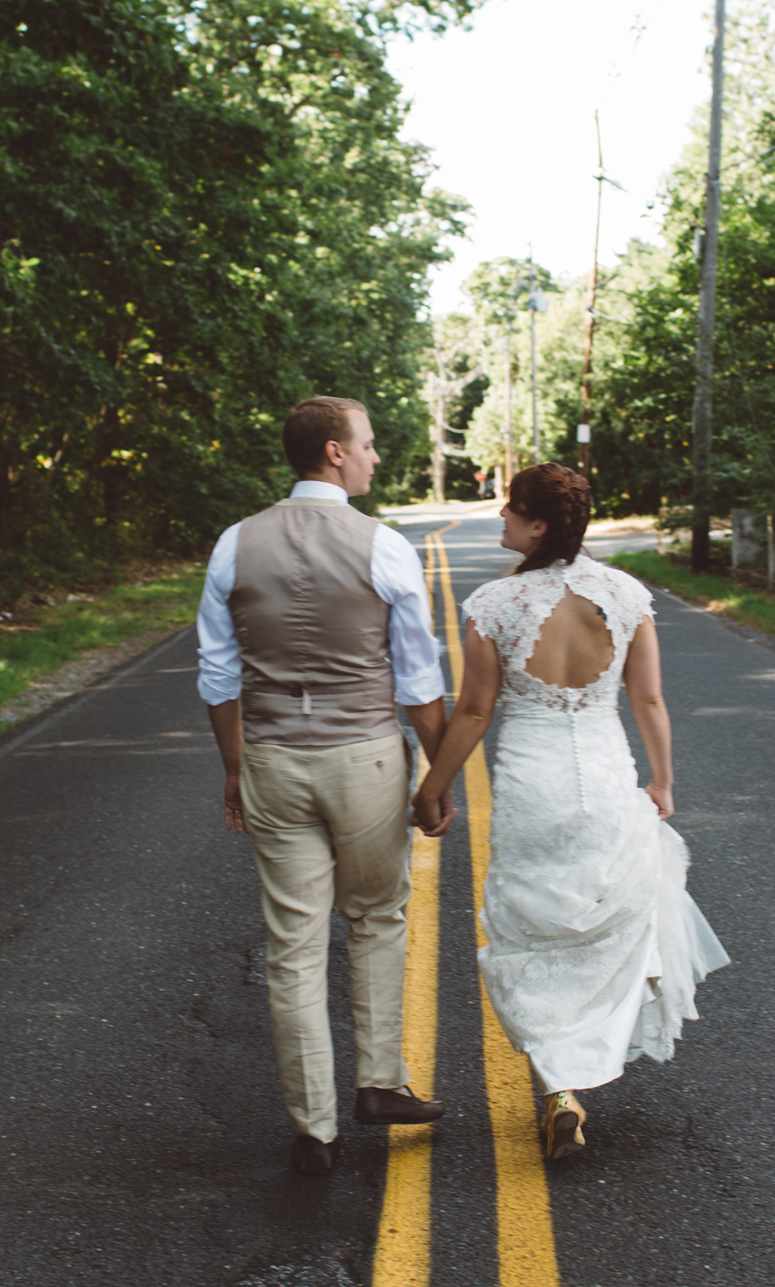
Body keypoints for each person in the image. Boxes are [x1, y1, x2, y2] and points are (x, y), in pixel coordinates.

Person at [412, 462, 729, 1160]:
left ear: (540, 524)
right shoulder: (625, 595)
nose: (500, 519)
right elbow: (648, 700)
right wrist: (663, 780)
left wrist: (433, 784)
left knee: (534, 930)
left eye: (510, 510)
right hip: (607, 776)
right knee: (605, 921)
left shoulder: (495, 604)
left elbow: (473, 710)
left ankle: (560, 1088)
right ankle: (583, 1061)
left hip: (532, 783)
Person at [198, 396, 456, 1177]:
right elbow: (417, 676)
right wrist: (436, 775)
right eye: (370, 444)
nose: (377, 457)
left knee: (294, 944)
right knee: (377, 915)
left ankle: (314, 1127)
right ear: (335, 453)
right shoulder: (383, 546)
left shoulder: (234, 545)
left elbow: (218, 674)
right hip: (365, 757)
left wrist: (236, 767)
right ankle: (379, 1083)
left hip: (274, 755)